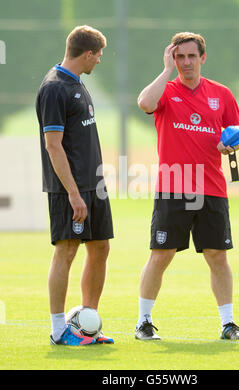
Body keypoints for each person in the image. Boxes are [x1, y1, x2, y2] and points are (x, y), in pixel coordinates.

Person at [135, 32, 239, 341]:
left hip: (212, 188)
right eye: (179, 57)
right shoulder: (165, 91)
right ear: (173, 59)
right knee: (161, 254)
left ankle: (228, 324)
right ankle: (143, 322)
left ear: (202, 58)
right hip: (173, 187)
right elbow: (144, 103)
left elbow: (235, 135)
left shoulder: (221, 94)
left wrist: (230, 147)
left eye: (190, 56)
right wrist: (165, 70)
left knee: (217, 255)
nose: (185, 62)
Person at [36, 25, 114, 346]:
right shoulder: (54, 88)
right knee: (66, 250)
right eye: (99, 55)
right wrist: (72, 193)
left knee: (100, 248)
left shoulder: (77, 83)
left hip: (93, 186)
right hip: (69, 189)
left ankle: (86, 325)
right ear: (88, 53)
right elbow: (53, 145)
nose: (100, 61)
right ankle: (58, 331)